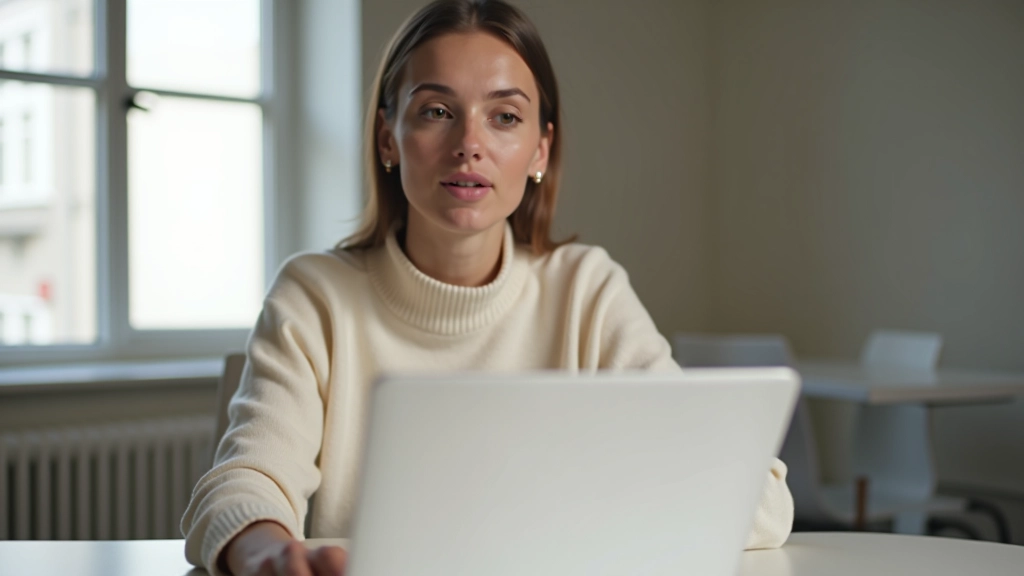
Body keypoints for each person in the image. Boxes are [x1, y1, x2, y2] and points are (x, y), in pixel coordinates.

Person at [181, 1, 794, 574]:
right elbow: (244, 484)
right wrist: (268, 555)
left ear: (540, 151)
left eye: (504, 117)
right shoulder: (315, 295)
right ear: (388, 138)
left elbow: (760, 501)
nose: (469, 144)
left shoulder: (587, 289)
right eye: (437, 111)